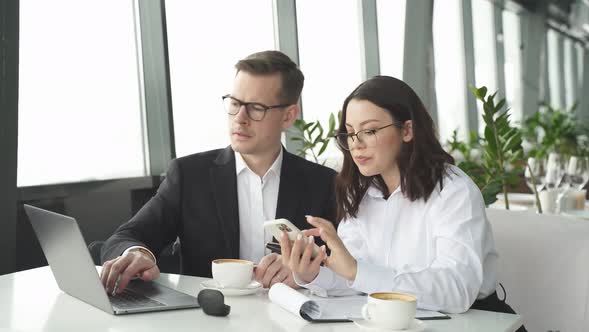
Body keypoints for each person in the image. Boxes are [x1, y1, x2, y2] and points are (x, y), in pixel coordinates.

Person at [279, 76, 525, 326]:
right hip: (394, 322)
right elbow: (357, 278)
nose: (356, 145)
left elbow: (457, 290)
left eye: (370, 131)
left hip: (474, 322)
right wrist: (314, 274)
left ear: (407, 130)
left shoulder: (453, 190)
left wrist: (356, 270)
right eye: (351, 134)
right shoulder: (361, 192)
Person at [100, 50, 336, 295]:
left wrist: (309, 275)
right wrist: (137, 254)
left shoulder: (324, 183)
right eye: (235, 104)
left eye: (255, 108)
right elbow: (126, 237)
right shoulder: (189, 175)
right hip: (209, 317)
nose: (240, 119)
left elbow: (352, 266)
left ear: (288, 116)